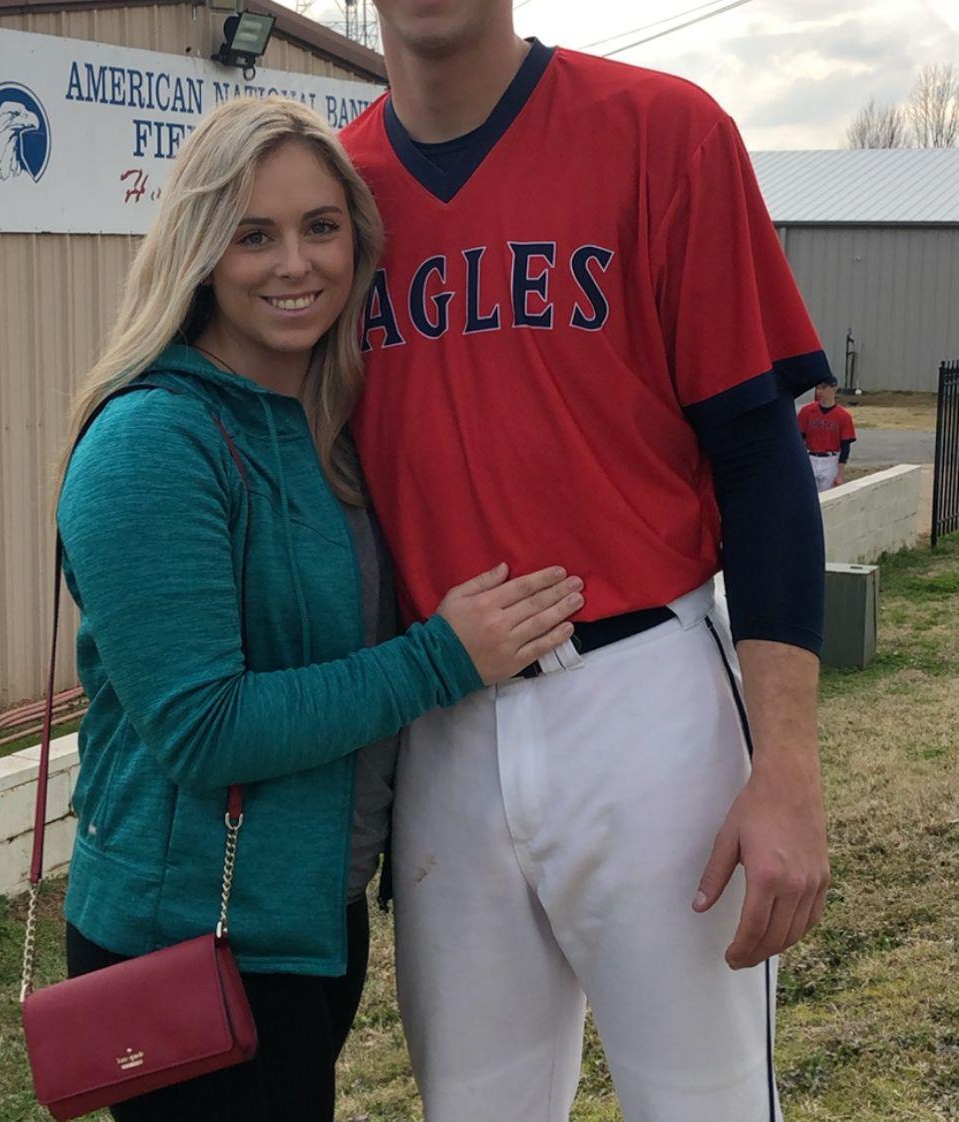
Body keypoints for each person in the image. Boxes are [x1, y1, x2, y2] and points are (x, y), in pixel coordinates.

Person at [340, 5, 832, 1120]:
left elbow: (760, 459)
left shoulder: (664, 130)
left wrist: (789, 767)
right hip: (442, 716)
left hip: (642, 690)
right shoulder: (334, 198)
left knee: (704, 1105)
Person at [53, 96, 582, 1122]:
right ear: (201, 252)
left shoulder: (319, 424)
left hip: (303, 926)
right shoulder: (153, 442)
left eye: (320, 228)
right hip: (190, 944)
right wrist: (443, 659)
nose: (295, 263)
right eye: (254, 235)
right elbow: (205, 728)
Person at [799, 375, 857, 491]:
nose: (820, 391)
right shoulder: (807, 411)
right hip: (810, 457)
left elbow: (845, 447)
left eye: (824, 388)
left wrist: (840, 474)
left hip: (830, 460)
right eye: (818, 388)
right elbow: (799, 439)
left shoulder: (843, 416)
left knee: (827, 497)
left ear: (834, 388)